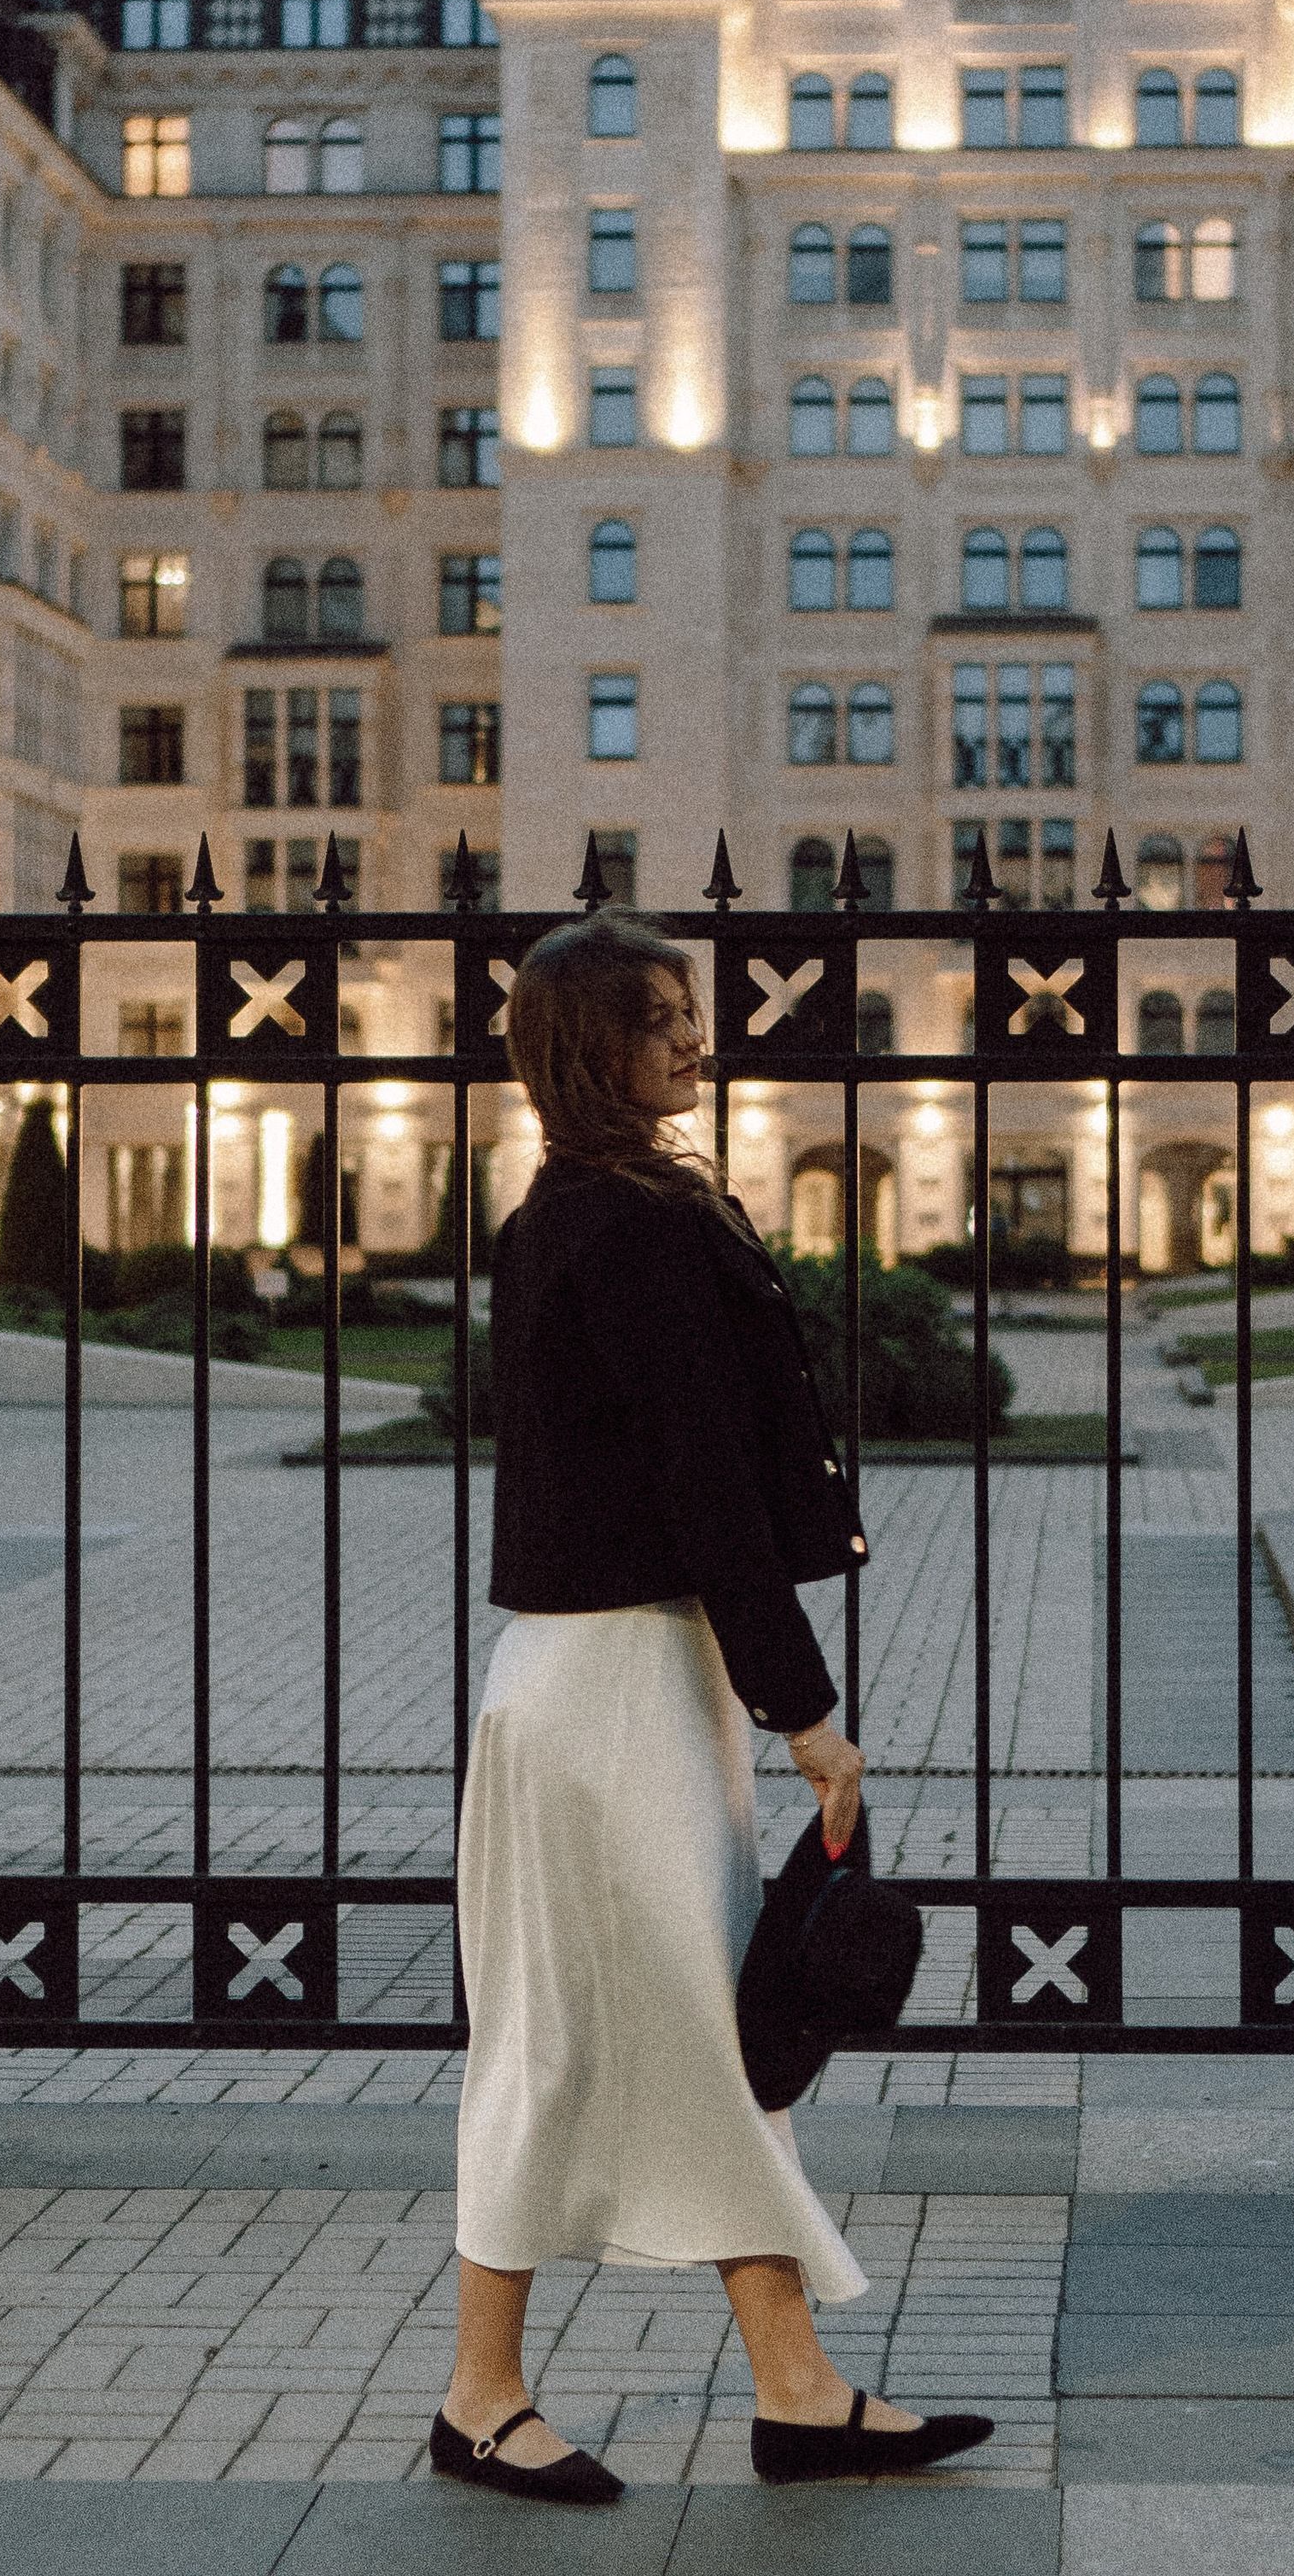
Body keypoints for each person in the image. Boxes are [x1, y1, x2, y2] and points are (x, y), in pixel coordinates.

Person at [431, 910, 993, 2501]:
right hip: (615, 1688)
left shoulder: (578, 1210)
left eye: (693, 1012)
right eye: (667, 1020)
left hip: (612, 1678)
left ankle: (794, 2392)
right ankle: (486, 2394)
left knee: (700, 2042)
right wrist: (808, 1715)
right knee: (568, 2046)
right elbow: (709, 1495)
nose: (699, 1039)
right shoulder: (631, 1227)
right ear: (597, 1047)